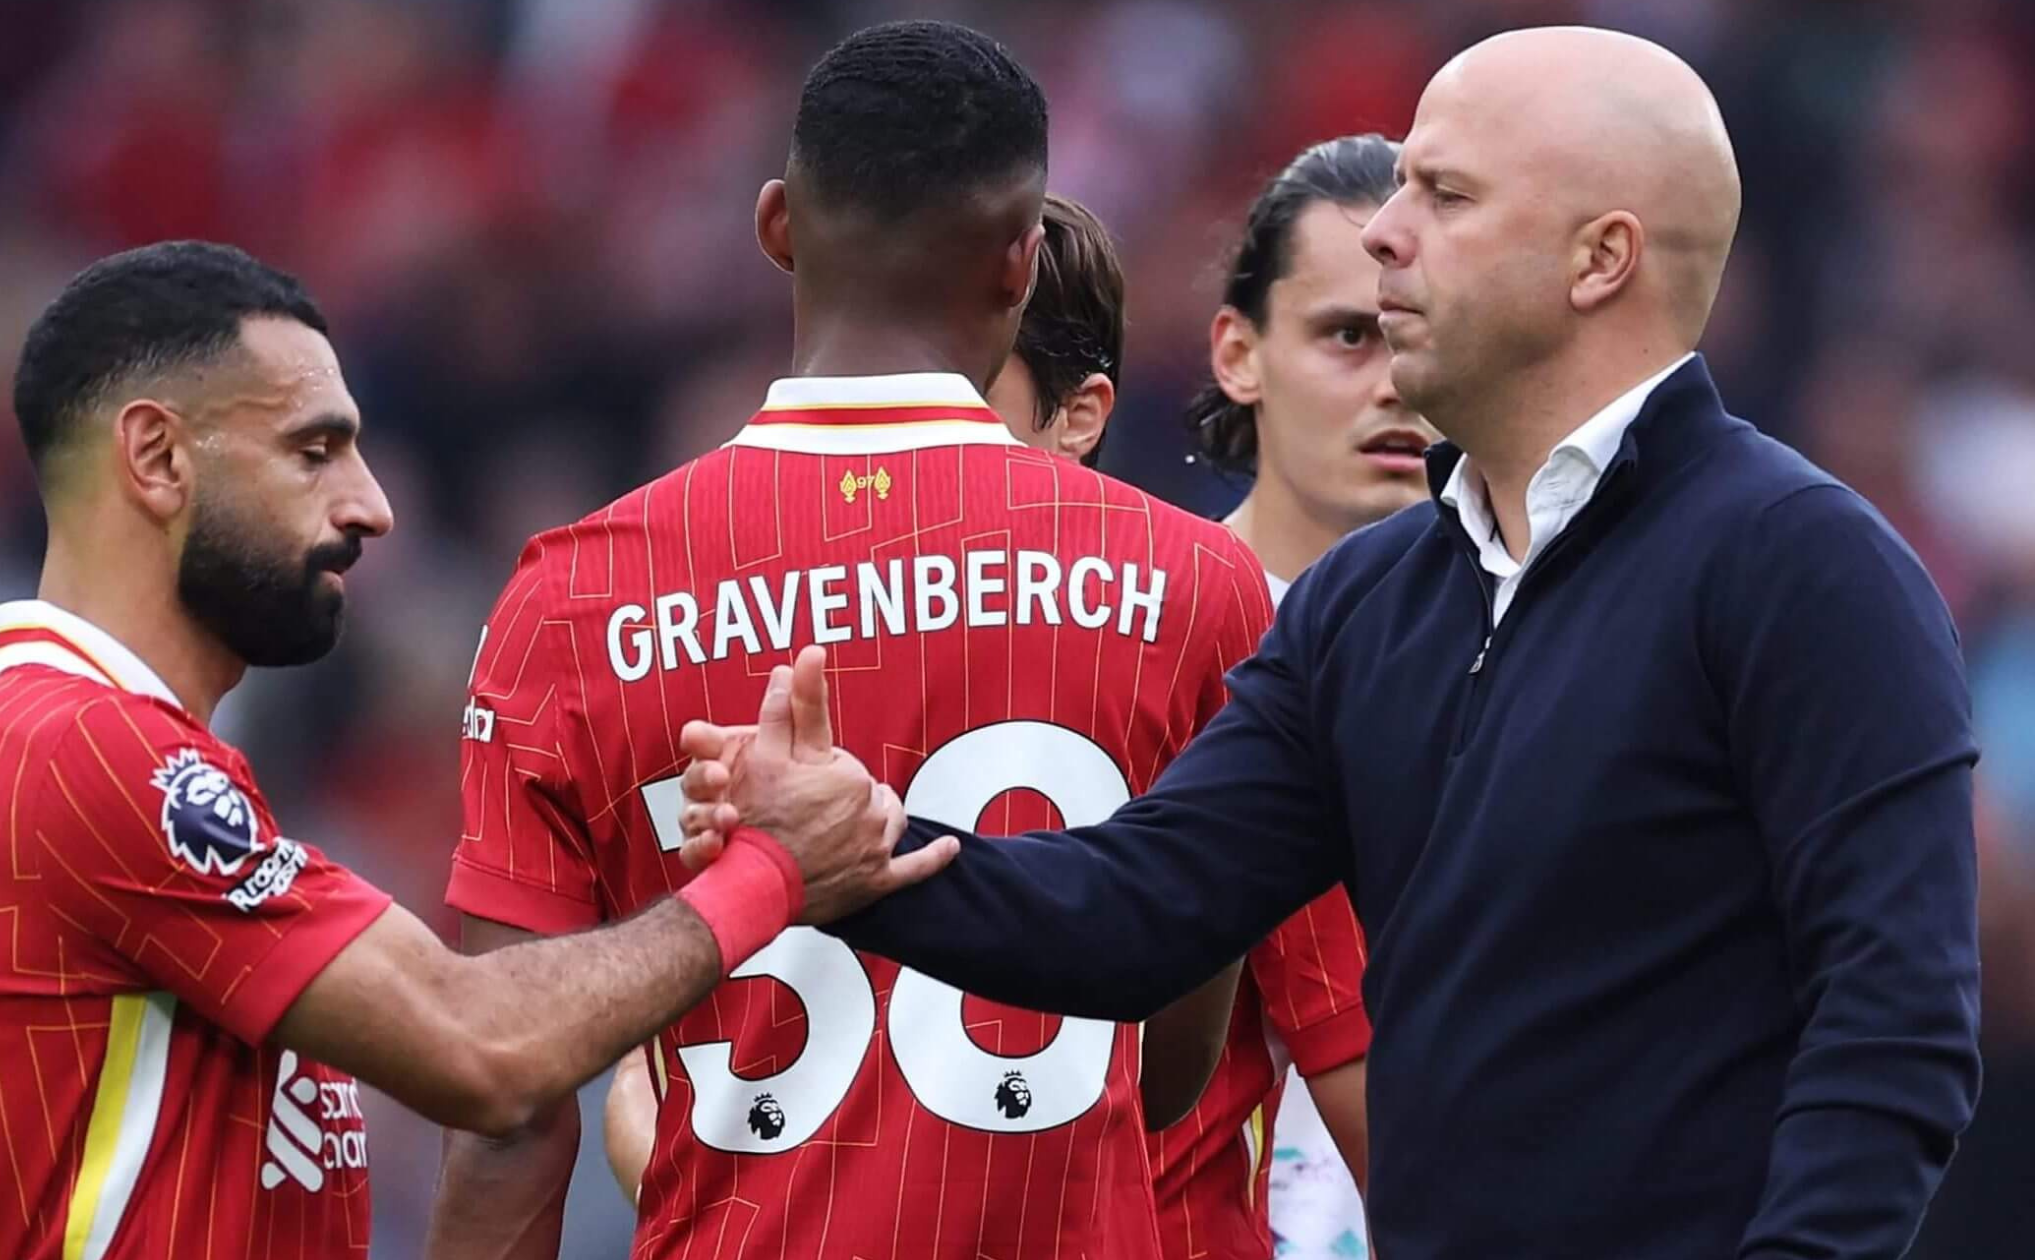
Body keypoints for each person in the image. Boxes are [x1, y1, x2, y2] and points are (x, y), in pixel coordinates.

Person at [675, 26, 1982, 1260]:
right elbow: (1135, 912)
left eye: (1445, 199)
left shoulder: (1804, 565)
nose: (1386, 238)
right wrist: (851, 855)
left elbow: (1895, 1026)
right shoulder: (1369, 603)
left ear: (1601, 262)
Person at [0, 240, 939, 1260]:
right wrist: (772, 868)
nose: (370, 506)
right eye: (313, 450)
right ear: (157, 458)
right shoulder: (87, 751)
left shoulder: (35, 744)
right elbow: (477, 1048)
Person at [423, 22, 1277, 1260]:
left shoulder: (572, 598)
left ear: (776, 226)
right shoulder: (1198, 582)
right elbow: (1165, 1047)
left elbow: (506, 1098)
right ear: (1022, 264)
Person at [593, 187, 1167, 1208]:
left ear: (1077, 417)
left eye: (955, 407)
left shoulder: (1193, 629)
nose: (898, 455)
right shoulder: (718, 656)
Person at [1167, 133, 1442, 1260]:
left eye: (1416, 335)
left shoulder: (1558, 647)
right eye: (1345, 335)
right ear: (1238, 351)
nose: (1390, 382)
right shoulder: (1134, 633)